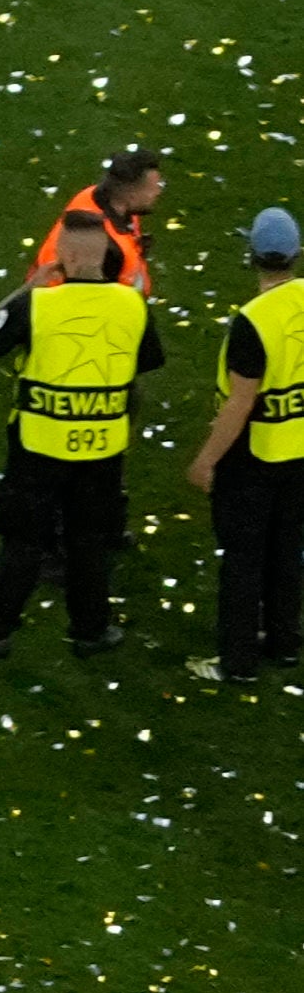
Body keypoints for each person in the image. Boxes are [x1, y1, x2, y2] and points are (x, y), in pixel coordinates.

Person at [0, 214, 161, 659]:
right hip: (102, 447)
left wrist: (33, 285)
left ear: (67, 257)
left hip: (40, 447)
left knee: (23, 543)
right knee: (88, 543)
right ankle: (91, 631)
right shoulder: (132, 305)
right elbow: (147, 358)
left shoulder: (40, 306)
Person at [202, 215, 304, 684]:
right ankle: (284, 643)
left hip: (254, 457)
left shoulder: (253, 323)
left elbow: (241, 404)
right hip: (299, 452)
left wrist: (206, 460)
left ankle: (237, 661)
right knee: (287, 550)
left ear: (252, 257)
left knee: (243, 559)